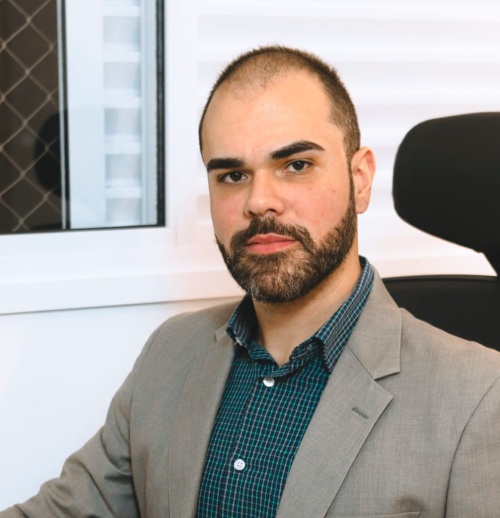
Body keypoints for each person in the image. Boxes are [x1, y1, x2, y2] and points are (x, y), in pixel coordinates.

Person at [2, 45, 500, 518]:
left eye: (296, 165)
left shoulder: (479, 397)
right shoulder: (170, 352)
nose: (259, 201)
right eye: (233, 175)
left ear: (360, 179)